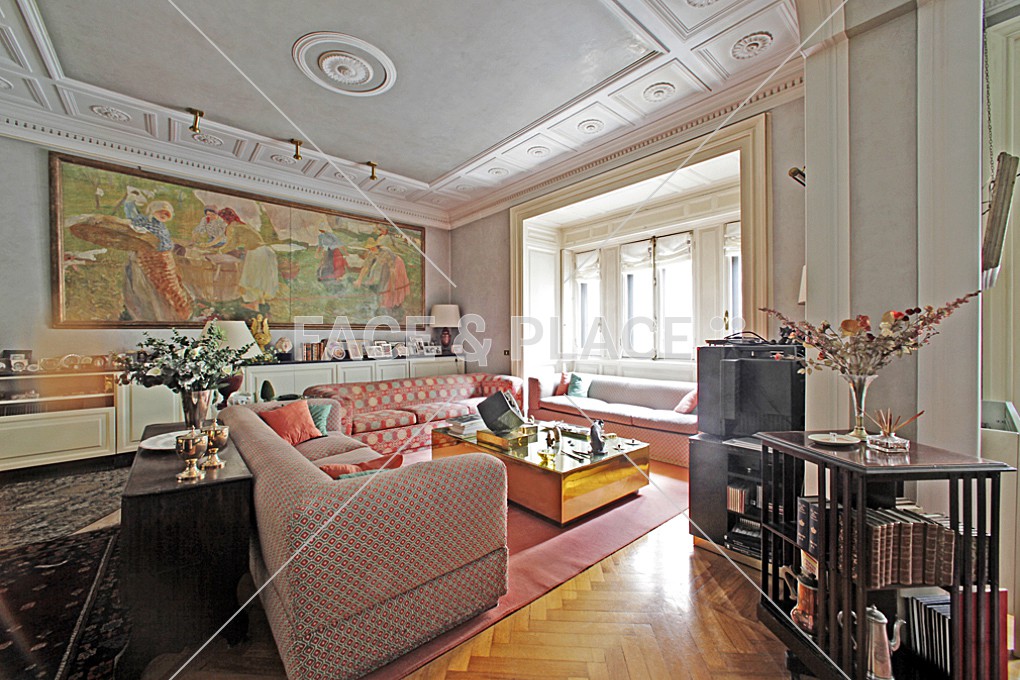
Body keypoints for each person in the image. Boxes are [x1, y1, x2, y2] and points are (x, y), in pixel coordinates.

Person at [220, 207, 279, 310]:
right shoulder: (242, 225)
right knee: (259, 279)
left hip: (256, 252)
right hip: (264, 251)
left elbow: (232, 243)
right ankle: (256, 303)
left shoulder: (234, 226)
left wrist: (220, 250)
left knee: (252, 278)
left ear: (226, 218)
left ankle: (254, 303)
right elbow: (239, 241)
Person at [355, 236, 410, 311]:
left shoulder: (385, 252)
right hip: (386, 265)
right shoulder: (371, 253)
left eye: (372, 248)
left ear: (376, 246)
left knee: (391, 284)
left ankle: (394, 304)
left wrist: (393, 286)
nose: (371, 249)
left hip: (396, 264)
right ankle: (383, 303)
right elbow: (366, 267)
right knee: (382, 281)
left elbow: (392, 270)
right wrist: (359, 280)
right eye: (369, 248)